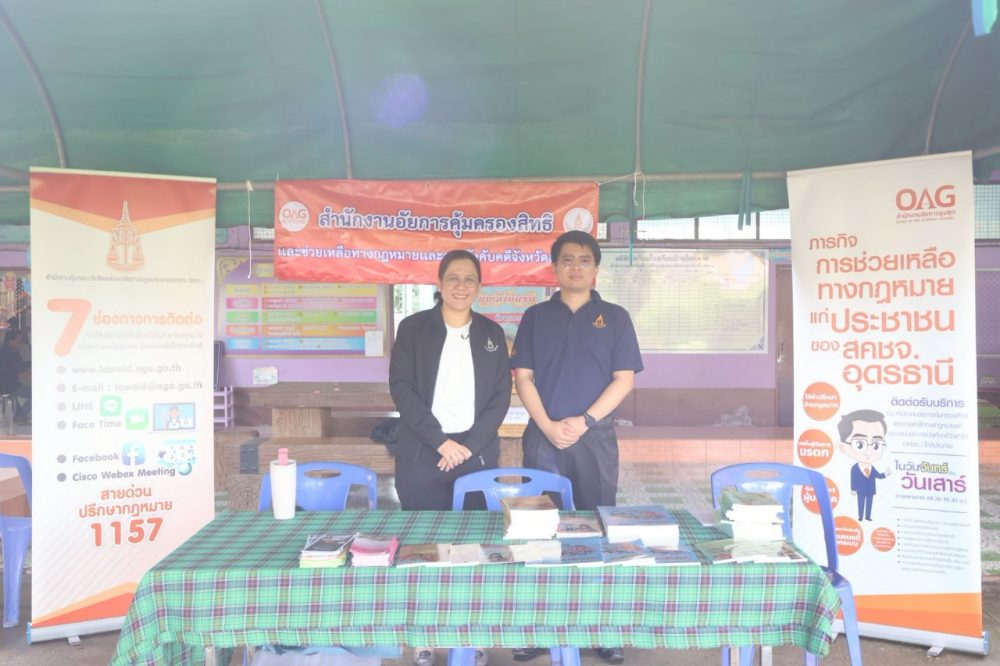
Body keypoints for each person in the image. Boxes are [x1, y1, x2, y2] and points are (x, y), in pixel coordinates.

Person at [511, 230, 643, 665]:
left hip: (595, 438)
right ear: (554, 267)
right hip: (543, 437)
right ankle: (537, 627)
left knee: (598, 525)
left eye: (584, 260)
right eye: (567, 259)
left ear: (595, 268)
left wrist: (584, 421)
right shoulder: (535, 317)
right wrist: (548, 426)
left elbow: (624, 380)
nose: (576, 267)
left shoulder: (615, 317)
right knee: (538, 528)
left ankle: (602, 627)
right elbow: (523, 378)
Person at [389, 249, 511, 666]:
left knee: (472, 549)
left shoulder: (491, 332)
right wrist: (441, 442)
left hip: (475, 455)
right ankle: (424, 637)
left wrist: (469, 445)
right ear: (439, 284)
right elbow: (402, 388)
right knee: (424, 548)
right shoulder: (413, 328)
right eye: (453, 278)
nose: (461, 286)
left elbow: (500, 397)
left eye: (469, 279)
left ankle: (471, 635)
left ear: (479, 286)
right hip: (425, 450)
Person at [837, 409, 892, 522]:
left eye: (876, 445)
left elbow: (878, 475)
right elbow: (853, 479)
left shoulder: (872, 468)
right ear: (842, 447)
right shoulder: (855, 469)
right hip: (860, 490)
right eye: (860, 444)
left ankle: (868, 516)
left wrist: (886, 474)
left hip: (870, 490)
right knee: (861, 503)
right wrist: (853, 489)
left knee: (869, 503)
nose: (870, 450)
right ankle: (860, 516)